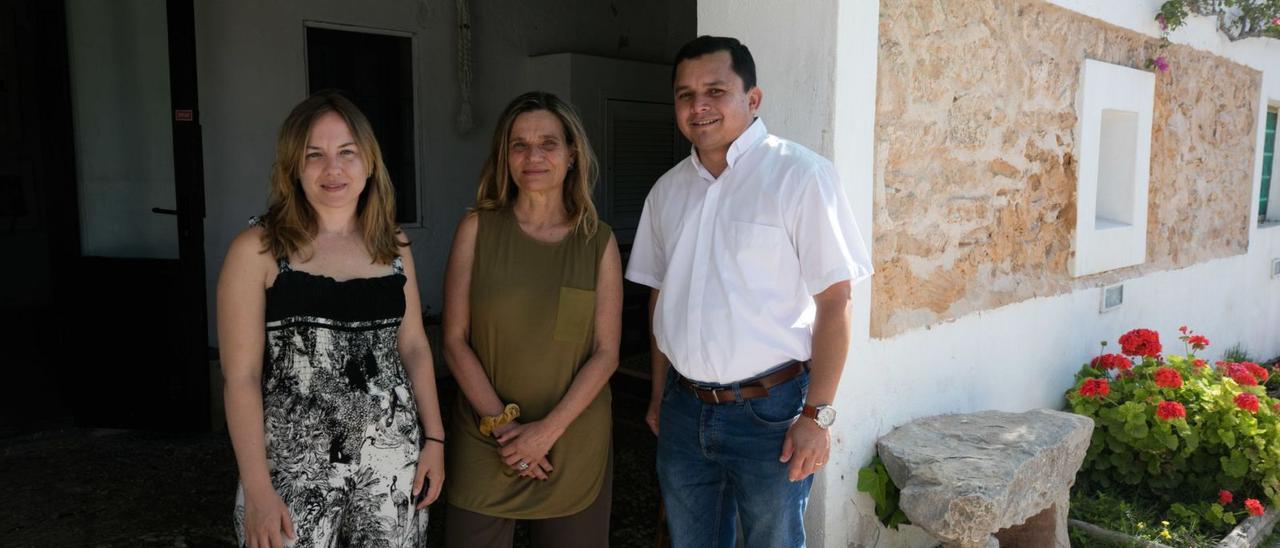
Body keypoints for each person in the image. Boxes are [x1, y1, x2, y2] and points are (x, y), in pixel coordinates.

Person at [626, 36, 875, 547]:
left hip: (772, 415)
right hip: (683, 409)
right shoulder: (667, 191)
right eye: (685, 94)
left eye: (715, 90)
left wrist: (818, 416)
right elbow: (660, 301)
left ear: (753, 99)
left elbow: (836, 302)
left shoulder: (801, 177)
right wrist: (658, 395)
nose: (699, 106)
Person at [217, 91, 445, 548]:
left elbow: (415, 346)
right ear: (293, 167)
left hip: (391, 465)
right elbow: (240, 377)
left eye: (347, 152)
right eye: (314, 155)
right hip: (291, 471)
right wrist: (258, 489)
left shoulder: (393, 245)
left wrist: (435, 440)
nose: (333, 169)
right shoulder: (258, 249)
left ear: (369, 163)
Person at [441, 91, 622, 548]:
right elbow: (454, 340)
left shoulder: (597, 242)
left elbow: (606, 354)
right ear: (504, 156)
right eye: (519, 145)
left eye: (548, 143)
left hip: (571, 437)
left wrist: (546, 433)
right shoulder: (476, 229)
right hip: (487, 436)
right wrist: (506, 430)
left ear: (572, 153)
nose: (533, 156)